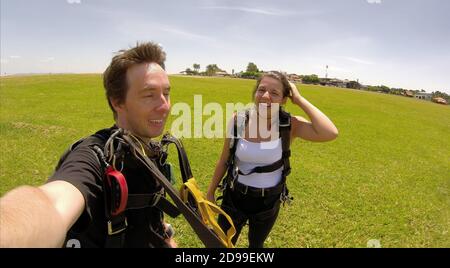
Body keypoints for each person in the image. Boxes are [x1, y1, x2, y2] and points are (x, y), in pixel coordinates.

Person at [0, 42, 177, 248]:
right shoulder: (94, 156)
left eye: (166, 93)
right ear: (117, 102)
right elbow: (53, 203)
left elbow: (151, 217)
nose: (165, 106)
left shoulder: (149, 150)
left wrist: (167, 238)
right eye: (149, 95)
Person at [206, 71, 339, 248]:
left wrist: (298, 99)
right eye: (261, 90)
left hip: (268, 202)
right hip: (234, 196)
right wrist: (210, 192)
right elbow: (224, 159)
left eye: (275, 93)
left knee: (256, 245)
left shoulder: (289, 125)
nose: (265, 96)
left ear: (284, 99)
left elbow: (330, 132)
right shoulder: (239, 120)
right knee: (221, 244)